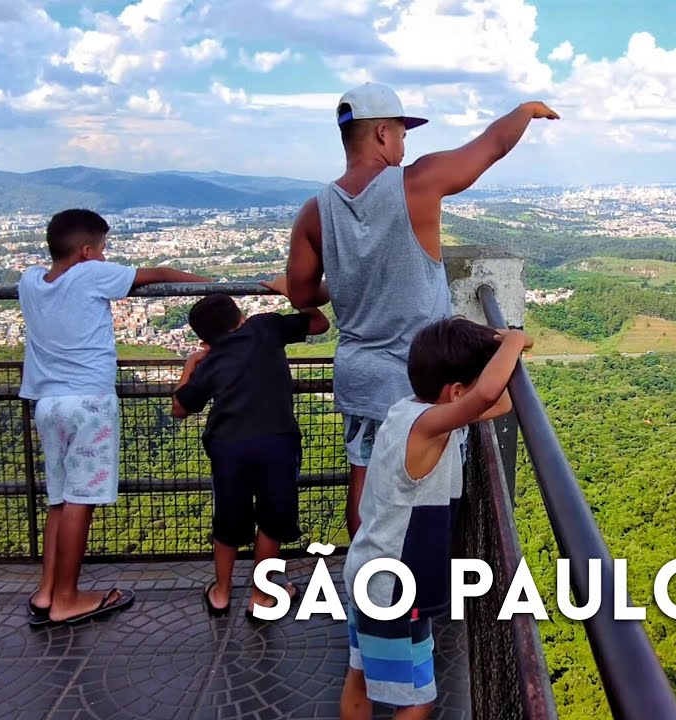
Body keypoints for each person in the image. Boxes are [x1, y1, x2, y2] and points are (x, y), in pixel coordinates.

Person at [284, 81, 558, 538]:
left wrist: (349, 280)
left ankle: (368, 584)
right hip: (421, 374)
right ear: (383, 133)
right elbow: (491, 146)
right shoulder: (418, 182)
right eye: (403, 134)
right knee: (425, 495)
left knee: (365, 482)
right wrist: (525, 110)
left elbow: (301, 295)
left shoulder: (315, 211)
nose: (406, 144)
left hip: (359, 372)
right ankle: (416, 595)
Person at [21, 208, 209, 625]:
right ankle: (68, 599)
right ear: (87, 251)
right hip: (88, 402)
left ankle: (47, 592)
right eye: (103, 250)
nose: (107, 259)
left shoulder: (30, 281)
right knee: (79, 503)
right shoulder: (89, 273)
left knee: (58, 501)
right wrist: (212, 285)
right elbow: (155, 272)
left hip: (46, 403)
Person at [340, 318, 531, 720]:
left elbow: (500, 402)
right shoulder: (427, 427)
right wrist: (512, 340)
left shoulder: (406, 411)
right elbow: (488, 395)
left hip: (373, 573)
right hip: (393, 588)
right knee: (417, 699)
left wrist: (494, 345)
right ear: (457, 392)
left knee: (360, 673)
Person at [170, 284, 330, 618]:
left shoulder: (211, 361)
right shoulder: (264, 327)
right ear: (240, 317)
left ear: (205, 338)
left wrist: (191, 365)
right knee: (272, 521)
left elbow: (180, 408)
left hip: (228, 446)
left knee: (227, 520)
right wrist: (292, 291)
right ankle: (262, 594)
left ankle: (221, 593)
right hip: (277, 440)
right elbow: (318, 324)